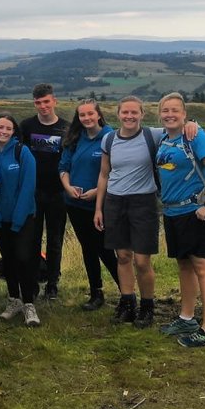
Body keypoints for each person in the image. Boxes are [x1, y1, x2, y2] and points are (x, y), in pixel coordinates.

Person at [93, 98, 198, 328]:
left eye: (134, 112)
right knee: (122, 256)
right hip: (115, 201)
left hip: (143, 202)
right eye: (125, 112)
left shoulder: (153, 134)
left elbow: (177, 126)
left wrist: (193, 123)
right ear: (118, 114)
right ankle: (128, 303)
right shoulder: (109, 139)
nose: (129, 116)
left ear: (142, 114)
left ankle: (147, 306)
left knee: (141, 261)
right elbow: (103, 175)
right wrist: (99, 208)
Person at [154, 93, 205, 348]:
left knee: (203, 267)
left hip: (195, 212)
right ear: (160, 114)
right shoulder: (163, 137)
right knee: (184, 265)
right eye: (165, 111)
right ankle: (186, 317)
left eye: (175, 110)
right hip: (172, 212)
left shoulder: (196, 136)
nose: (170, 114)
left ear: (184, 114)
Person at [58, 100, 119, 310]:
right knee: (88, 248)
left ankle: (126, 292)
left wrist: (97, 192)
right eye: (82, 115)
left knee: (105, 249)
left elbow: (116, 171)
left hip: (100, 204)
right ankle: (96, 293)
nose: (86, 118)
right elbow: (63, 167)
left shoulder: (111, 137)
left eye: (90, 114)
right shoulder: (75, 139)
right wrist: (67, 187)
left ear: (99, 115)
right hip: (74, 204)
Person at [0, 114, 41, 327]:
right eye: (0, 127)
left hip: (23, 217)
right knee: (8, 260)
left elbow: (28, 187)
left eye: (9, 128)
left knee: (24, 259)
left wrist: (17, 220)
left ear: (14, 131)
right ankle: (13, 300)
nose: (4, 132)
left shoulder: (22, 152)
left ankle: (28, 304)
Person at [18, 84, 69, 300]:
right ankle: (33, 282)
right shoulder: (26, 126)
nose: (43, 106)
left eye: (46, 101)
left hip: (58, 193)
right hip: (34, 192)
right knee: (33, 239)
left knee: (55, 240)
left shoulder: (66, 128)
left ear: (54, 101)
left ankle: (52, 283)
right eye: (38, 102)